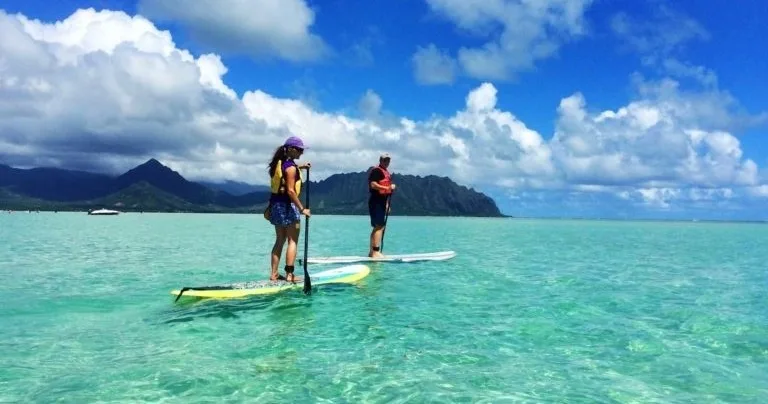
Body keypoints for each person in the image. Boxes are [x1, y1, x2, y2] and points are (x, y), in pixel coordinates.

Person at [267, 136, 311, 282]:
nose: (301, 152)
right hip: (288, 206)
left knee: (280, 240)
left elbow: (287, 173)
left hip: (276, 206)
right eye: (299, 150)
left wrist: (301, 167)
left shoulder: (279, 163)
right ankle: (290, 275)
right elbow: (291, 191)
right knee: (293, 241)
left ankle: (274, 274)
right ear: (291, 149)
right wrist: (302, 209)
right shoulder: (291, 168)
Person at [368, 153, 396, 258]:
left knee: (378, 226)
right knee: (379, 226)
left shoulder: (386, 173)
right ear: (380, 161)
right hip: (376, 201)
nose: (386, 162)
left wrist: (387, 204)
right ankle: (375, 252)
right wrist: (387, 188)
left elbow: (385, 193)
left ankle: (372, 252)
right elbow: (373, 184)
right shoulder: (377, 171)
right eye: (384, 160)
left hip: (381, 202)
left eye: (388, 160)